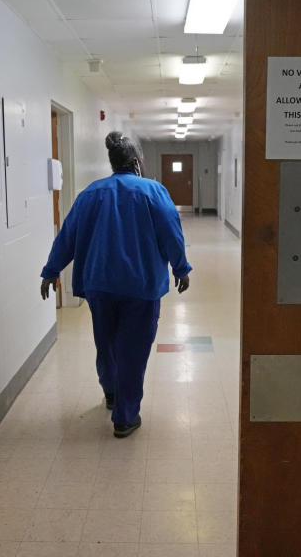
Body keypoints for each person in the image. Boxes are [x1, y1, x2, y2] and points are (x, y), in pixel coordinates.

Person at [40, 131, 192, 438]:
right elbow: (171, 232)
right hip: (141, 285)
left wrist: (51, 270)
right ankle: (125, 417)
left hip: (100, 283)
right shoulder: (154, 191)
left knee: (106, 342)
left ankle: (111, 392)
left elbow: (67, 235)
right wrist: (181, 267)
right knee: (133, 350)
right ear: (136, 162)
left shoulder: (91, 193)